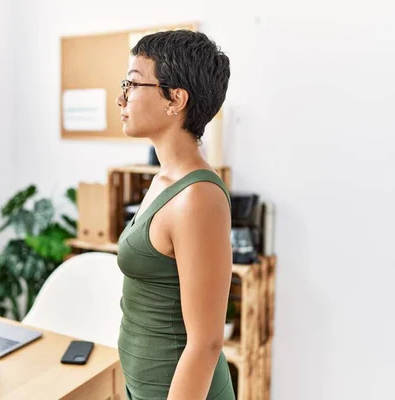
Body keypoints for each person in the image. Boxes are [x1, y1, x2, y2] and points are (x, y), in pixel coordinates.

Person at [115, 30, 235, 400]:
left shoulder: (198, 198)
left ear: (175, 99)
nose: (122, 97)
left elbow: (207, 343)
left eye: (132, 84)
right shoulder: (163, 180)